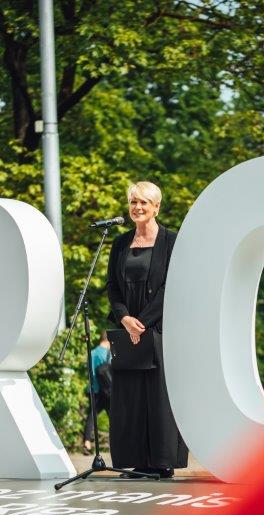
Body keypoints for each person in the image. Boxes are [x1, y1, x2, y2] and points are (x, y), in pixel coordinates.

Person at [105, 181, 188, 479]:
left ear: (156, 207)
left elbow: (172, 285)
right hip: (128, 328)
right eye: (133, 201)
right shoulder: (120, 243)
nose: (137, 207)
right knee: (130, 395)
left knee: (159, 393)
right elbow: (112, 286)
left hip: (160, 327)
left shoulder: (172, 241)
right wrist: (125, 319)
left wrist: (142, 322)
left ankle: (162, 462)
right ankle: (137, 462)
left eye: (144, 202)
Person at [83, 330, 112, 455]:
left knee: (92, 416)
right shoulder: (111, 353)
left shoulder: (92, 352)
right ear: (108, 340)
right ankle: (117, 444)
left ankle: (87, 443)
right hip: (108, 391)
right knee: (114, 418)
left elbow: (90, 373)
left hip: (95, 390)